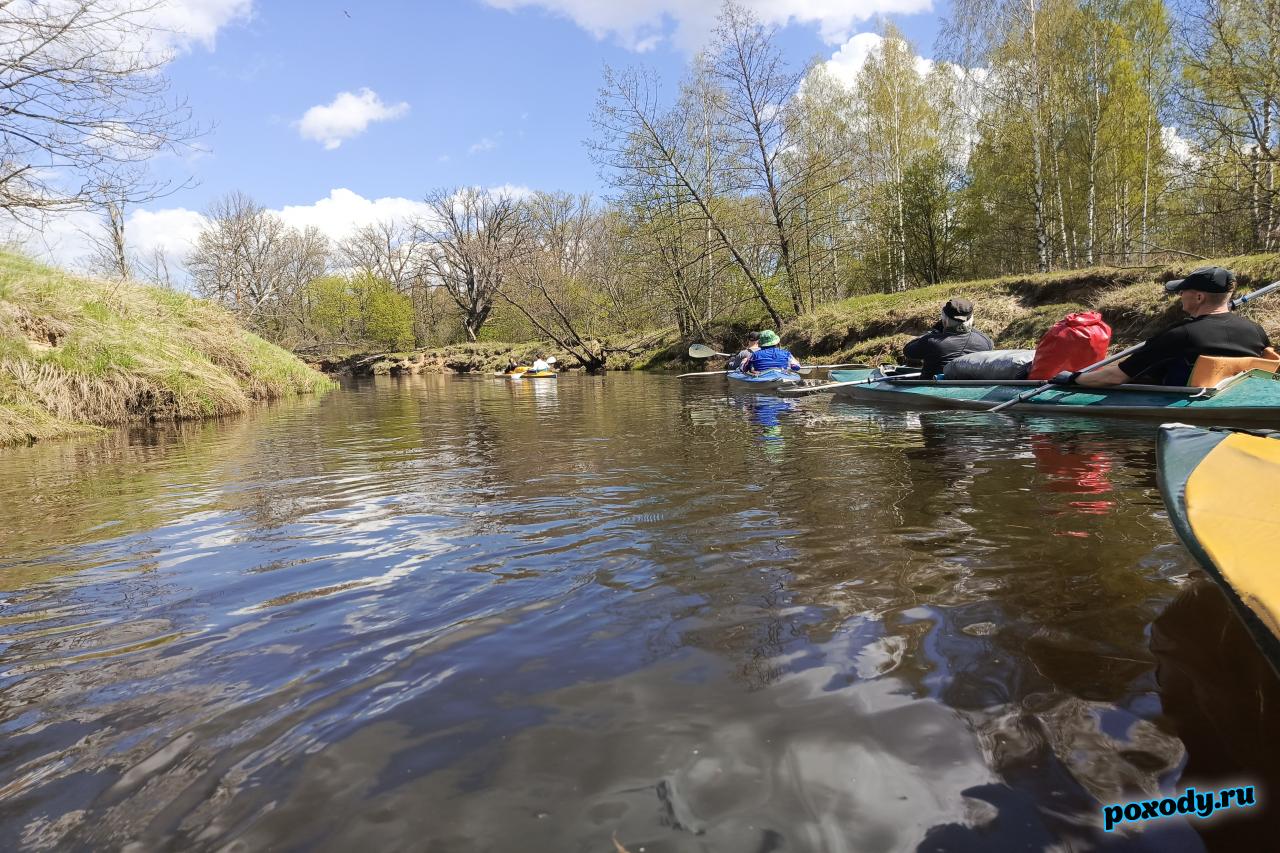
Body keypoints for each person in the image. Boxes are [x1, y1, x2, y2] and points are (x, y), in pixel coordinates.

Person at [1049, 267, 1271, 387]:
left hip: (1182, 401)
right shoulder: (1256, 331)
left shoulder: (1181, 335)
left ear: (1200, 297)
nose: (1180, 295)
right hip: (1232, 396)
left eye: (1183, 291)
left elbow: (1116, 377)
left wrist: (1072, 379)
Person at [902, 298, 994, 379]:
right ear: (971, 319)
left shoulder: (931, 341)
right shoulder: (985, 341)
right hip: (973, 392)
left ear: (944, 319)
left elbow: (907, 351)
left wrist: (934, 332)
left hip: (931, 391)